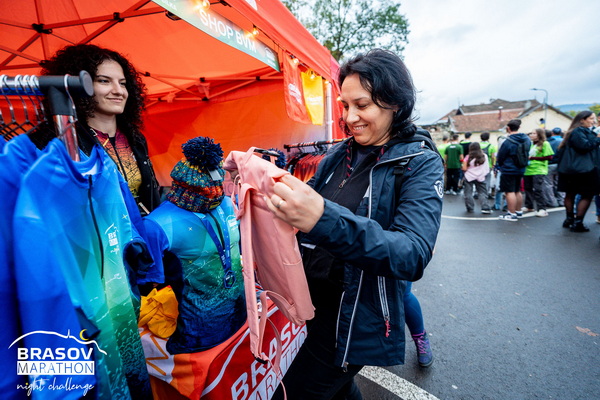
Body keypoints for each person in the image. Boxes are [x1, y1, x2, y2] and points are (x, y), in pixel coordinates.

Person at [268, 49, 444, 400]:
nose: (350, 117)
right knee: (338, 391)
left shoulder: (419, 163)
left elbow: (412, 254)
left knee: (296, 392)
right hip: (307, 302)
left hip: (352, 316)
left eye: (362, 105)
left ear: (395, 103)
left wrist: (322, 218)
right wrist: (268, 189)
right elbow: (306, 204)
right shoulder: (339, 154)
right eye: (345, 106)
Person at [39, 44, 161, 214]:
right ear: (78, 85)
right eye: (104, 81)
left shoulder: (135, 138)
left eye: (123, 83)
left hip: (142, 229)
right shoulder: (59, 139)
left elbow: (151, 194)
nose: (119, 91)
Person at [557, 110, 600, 232]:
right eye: (591, 118)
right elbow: (584, 146)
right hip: (583, 170)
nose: (593, 121)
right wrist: (598, 139)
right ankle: (578, 222)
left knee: (570, 194)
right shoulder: (578, 131)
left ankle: (570, 219)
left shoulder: (573, 131)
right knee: (586, 195)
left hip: (571, 169)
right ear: (582, 120)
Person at [496, 119, 531, 221]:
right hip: (521, 167)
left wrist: (500, 166)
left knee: (509, 191)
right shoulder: (526, 139)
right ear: (519, 127)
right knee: (517, 190)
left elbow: (501, 156)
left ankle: (511, 213)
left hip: (509, 168)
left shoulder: (507, 141)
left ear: (508, 128)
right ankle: (518, 211)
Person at [523, 128, 554, 217]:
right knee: (528, 188)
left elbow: (549, 157)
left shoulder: (545, 144)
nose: (531, 135)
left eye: (534, 133)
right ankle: (529, 206)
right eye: (531, 133)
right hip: (528, 169)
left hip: (539, 169)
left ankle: (542, 208)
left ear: (539, 135)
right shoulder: (529, 144)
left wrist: (533, 158)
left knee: (538, 189)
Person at [462, 142, 491, 213]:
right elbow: (487, 167)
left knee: (468, 193)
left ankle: (470, 208)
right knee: (482, 193)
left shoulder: (468, 157)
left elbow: (464, 168)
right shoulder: (484, 156)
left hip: (469, 176)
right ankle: (485, 208)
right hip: (481, 177)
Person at [546, 127, 564, 206]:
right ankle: (561, 200)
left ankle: (551, 201)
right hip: (559, 164)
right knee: (558, 182)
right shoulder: (562, 141)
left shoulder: (546, 142)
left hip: (549, 164)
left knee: (548, 184)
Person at [479, 131, 496, 198]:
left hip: (478, 165)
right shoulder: (491, 146)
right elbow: (493, 157)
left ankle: (478, 192)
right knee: (487, 179)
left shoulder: (478, 145)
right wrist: (493, 164)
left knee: (478, 179)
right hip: (488, 165)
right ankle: (485, 192)